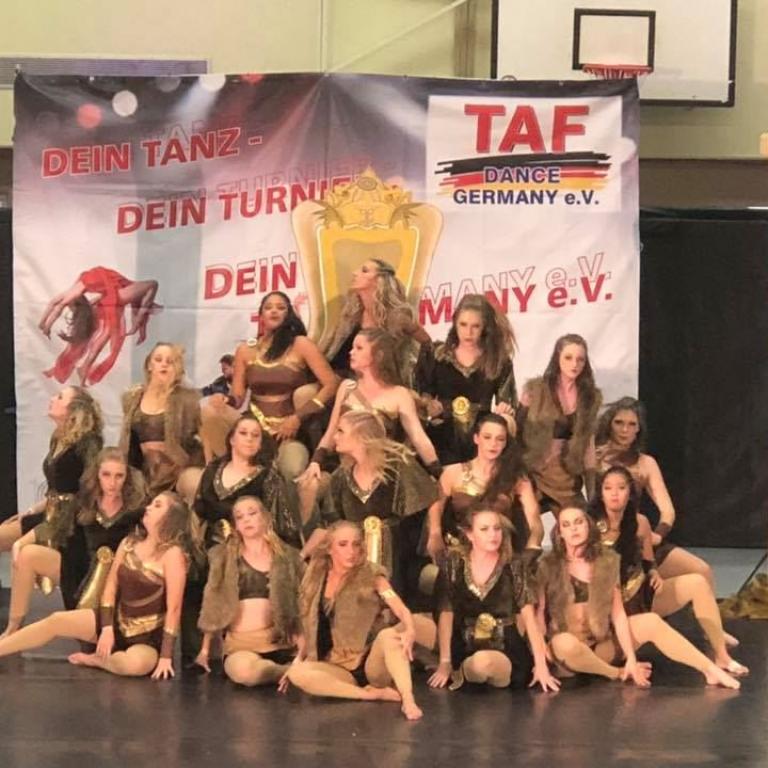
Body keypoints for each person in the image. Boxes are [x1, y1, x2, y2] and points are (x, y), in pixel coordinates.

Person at [536, 503, 740, 689]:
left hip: (601, 646)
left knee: (651, 621)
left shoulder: (606, 562)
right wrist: (540, 662)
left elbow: (618, 615)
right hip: (568, 655)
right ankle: (616, 673)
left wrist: (632, 659)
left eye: (579, 522)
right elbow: (539, 617)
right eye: (566, 525)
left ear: (589, 526)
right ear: (560, 533)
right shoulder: (548, 566)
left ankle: (709, 670)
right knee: (564, 643)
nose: (574, 529)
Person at [0, 492, 190, 680]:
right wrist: (107, 628)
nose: (148, 508)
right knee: (56, 620)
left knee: (135, 665)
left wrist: (166, 656)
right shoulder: (129, 543)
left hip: (145, 639)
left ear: (170, 518)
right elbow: (111, 587)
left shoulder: (173, 555)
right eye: (152, 503)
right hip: (114, 622)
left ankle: (98, 661)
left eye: (157, 505)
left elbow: (174, 609)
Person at [590, 466, 748, 677]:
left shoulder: (640, 522)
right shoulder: (590, 525)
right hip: (609, 605)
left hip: (638, 594)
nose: (614, 494)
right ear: (600, 493)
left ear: (630, 493)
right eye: (608, 488)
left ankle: (722, 655)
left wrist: (654, 573)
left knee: (698, 582)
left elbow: (648, 561)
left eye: (621, 488)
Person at [285, 520, 436, 720]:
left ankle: (408, 699)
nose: (351, 551)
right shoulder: (316, 576)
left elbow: (398, 606)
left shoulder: (372, 574)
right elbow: (309, 623)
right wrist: (299, 658)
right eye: (343, 544)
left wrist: (409, 628)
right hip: (336, 665)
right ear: (329, 549)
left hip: (369, 661)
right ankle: (368, 695)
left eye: (356, 544)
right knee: (297, 673)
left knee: (389, 635)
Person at [2, 447, 145, 638]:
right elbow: (53, 525)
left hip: (113, 583)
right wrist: (19, 543)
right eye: (106, 475)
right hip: (78, 573)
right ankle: (13, 627)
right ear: (97, 475)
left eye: (119, 476)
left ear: (127, 477)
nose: (112, 483)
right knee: (27, 554)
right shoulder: (83, 502)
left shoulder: (136, 509)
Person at [427, 505, 559, 692]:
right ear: (470, 534)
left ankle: (471, 673)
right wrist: (445, 661)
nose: (493, 535)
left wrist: (541, 665)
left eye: (497, 529)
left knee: (483, 663)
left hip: (505, 647)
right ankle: (459, 669)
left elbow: (529, 619)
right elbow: (446, 613)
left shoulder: (514, 565)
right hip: (464, 643)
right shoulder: (453, 563)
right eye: (484, 529)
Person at [313, 410, 437, 601]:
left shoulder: (398, 467)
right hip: (355, 555)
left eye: (340, 431)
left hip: (397, 553)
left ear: (361, 436)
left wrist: (434, 532)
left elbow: (430, 497)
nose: (334, 436)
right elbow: (333, 522)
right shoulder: (340, 477)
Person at [595, 396, 718, 587]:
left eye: (631, 424)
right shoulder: (594, 458)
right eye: (619, 423)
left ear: (638, 429)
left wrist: (657, 535)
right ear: (609, 424)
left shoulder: (646, 463)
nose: (625, 430)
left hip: (636, 537)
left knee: (702, 570)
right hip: (602, 539)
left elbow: (668, 511)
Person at [227, 291, 338, 481]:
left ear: (289, 314)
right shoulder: (245, 350)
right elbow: (237, 397)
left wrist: (297, 418)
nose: (274, 311)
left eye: (280, 308)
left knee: (292, 468)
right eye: (268, 308)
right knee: (211, 413)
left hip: (290, 431)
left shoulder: (300, 344)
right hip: (255, 430)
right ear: (260, 316)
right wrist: (225, 400)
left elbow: (331, 384)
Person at [195, 496, 304, 686]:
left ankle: (293, 669)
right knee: (245, 673)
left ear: (266, 517)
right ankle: (287, 673)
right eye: (240, 517)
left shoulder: (288, 557)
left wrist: (302, 651)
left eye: (252, 513)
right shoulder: (224, 557)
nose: (246, 519)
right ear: (235, 526)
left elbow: (302, 604)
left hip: (281, 642)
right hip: (241, 645)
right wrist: (204, 651)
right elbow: (213, 602)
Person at [0, 387, 103, 563]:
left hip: (68, 521)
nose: (53, 399)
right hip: (51, 513)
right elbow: (55, 491)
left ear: (74, 411)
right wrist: (30, 511)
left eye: (60, 397)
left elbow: (87, 490)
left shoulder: (88, 443)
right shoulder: (58, 438)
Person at [415, 294, 517, 464]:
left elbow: (507, 405)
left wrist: (504, 410)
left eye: (475, 326)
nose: (468, 333)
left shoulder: (498, 361)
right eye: (463, 324)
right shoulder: (436, 354)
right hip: (441, 435)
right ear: (455, 323)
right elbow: (422, 394)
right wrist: (428, 404)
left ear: (485, 327)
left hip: (480, 438)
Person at [426, 413, 543, 563]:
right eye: (487, 437)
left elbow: (534, 519)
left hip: (501, 553)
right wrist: (435, 534)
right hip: (459, 553)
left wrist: (533, 544)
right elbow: (436, 506)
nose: (493, 444)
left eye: (500, 439)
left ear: (506, 443)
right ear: (476, 438)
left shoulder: (515, 477)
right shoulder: (453, 473)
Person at [517, 334, 601, 511]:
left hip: (566, 477)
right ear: (557, 358)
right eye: (568, 358)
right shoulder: (535, 390)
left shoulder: (590, 397)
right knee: (520, 520)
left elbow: (588, 445)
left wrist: (592, 491)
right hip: (533, 472)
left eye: (580, 359)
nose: (574, 364)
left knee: (582, 521)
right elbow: (517, 430)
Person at [194, 414, 302, 550]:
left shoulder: (268, 477)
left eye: (255, 435)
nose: (249, 439)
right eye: (243, 433)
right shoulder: (213, 469)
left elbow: (279, 526)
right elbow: (197, 513)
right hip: (209, 550)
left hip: (252, 550)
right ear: (232, 439)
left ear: (260, 444)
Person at [39, 267, 159, 386]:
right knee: (99, 339)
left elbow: (56, 305)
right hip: (111, 299)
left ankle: (80, 368)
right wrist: (45, 325)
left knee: (96, 340)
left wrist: (45, 325)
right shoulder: (77, 289)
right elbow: (56, 305)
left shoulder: (74, 291)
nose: (70, 309)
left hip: (110, 297)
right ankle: (81, 368)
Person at [320, 259, 429, 382]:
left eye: (364, 271)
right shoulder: (352, 313)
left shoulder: (397, 317)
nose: (355, 273)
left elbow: (426, 343)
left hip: (374, 381)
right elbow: (334, 348)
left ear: (379, 280)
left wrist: (421, 376)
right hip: (340, 374)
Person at [119, 342, 203, 496]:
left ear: (177, 368)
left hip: (177, 471)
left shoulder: (187, 399)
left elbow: (198, 437)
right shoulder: (131, 397)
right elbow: (128, 439)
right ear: (149, 365)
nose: (164, 364)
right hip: (141, 471)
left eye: (170, 362)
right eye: (158, 360)